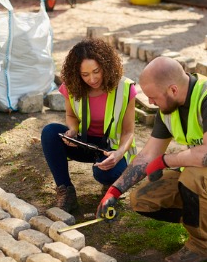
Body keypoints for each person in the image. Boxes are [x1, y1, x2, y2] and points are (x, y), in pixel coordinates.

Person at [96, 56, 207, 262]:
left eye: (153, 97)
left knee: (194, 177)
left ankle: (202, 245)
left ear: (173, 90)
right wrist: (113, 192)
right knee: (142, 199)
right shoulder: (168, 108)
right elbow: (147, 156)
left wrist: (166, 160)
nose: (150, 103)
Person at [41, 38, 137, 213]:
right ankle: (66, 191)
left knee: (104, 174)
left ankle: (113, 182)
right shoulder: (72, 86)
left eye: (96, 71)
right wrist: (72, 130)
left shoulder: (126, 88)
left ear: (106, 66)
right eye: (85, 75)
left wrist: (119, 153)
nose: (92, 79)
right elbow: (70, 115)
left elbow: (128, 131)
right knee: (50, 132)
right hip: (84, 142)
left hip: (112, 147)